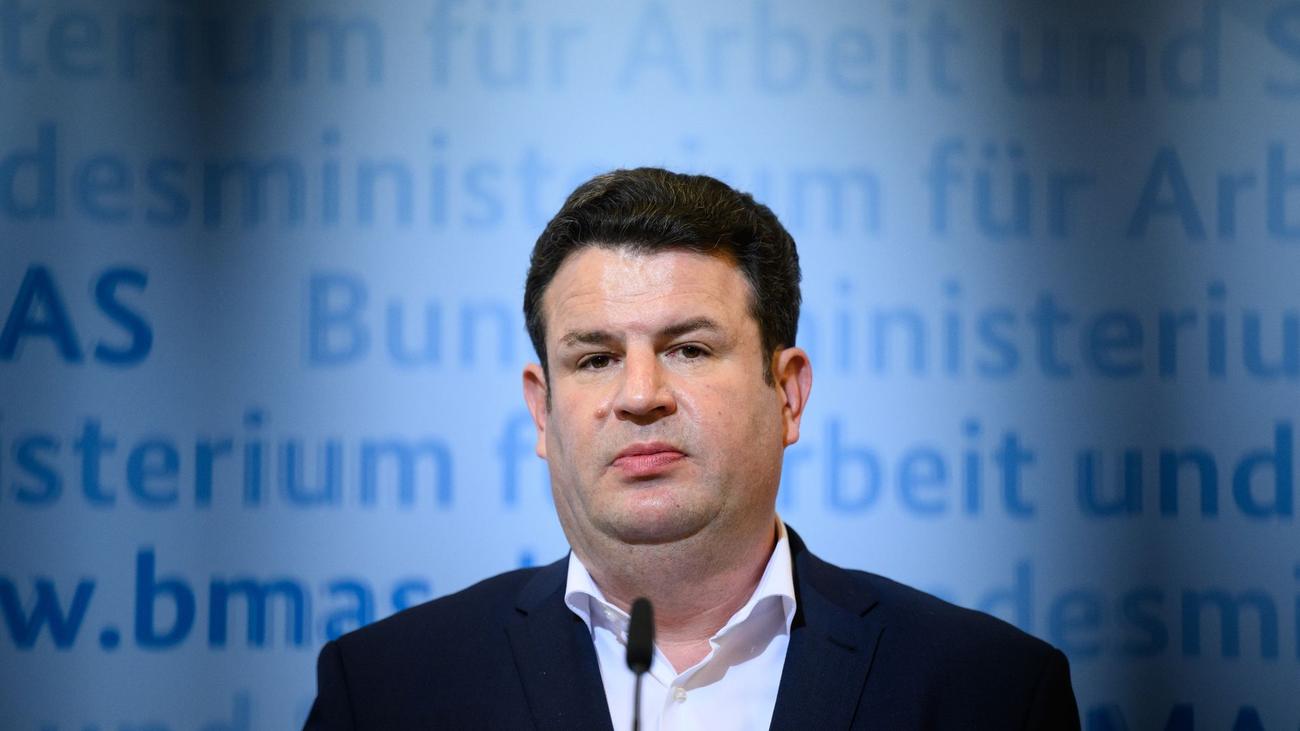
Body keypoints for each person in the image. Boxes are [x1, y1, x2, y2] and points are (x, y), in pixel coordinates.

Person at [303, 168, 1081, 730]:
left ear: (788, 393)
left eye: (689, 349)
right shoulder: (385, 690)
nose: (641, 394)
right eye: (596, 358)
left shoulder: (990, 690)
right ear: (542, 412)